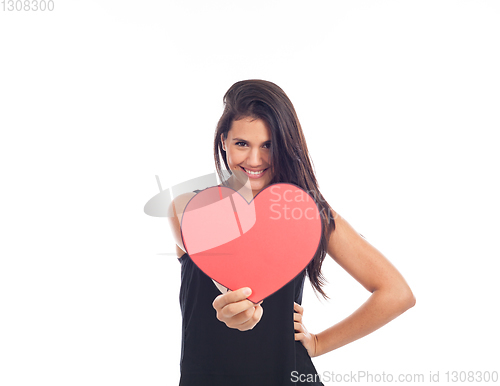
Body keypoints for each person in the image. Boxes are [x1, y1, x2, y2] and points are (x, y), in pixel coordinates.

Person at [167, 79, 416, 385]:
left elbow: (396, 293)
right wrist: (241, 305)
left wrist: (319, 342)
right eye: (242, 143)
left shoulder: (309, 215)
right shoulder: (188, 209)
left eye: (268, 145)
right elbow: (222, 266)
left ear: (284, 145)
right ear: (223, 142)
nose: (255, 160)